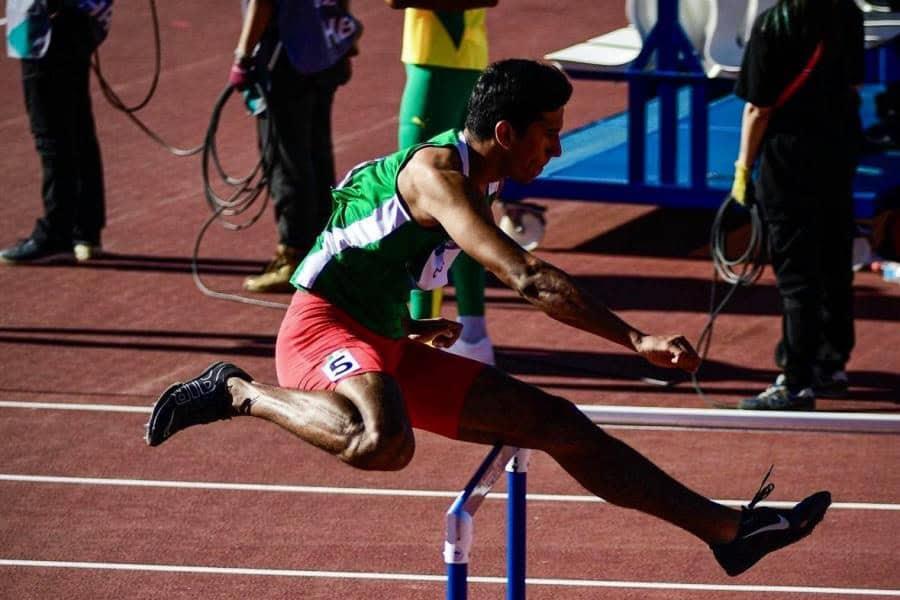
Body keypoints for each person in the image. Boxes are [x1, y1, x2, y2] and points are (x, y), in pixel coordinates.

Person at [146, 59, 831, 577]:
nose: (556, 150)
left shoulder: (481, 176)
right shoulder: (438, 176)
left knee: (561, 425)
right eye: (550, 135)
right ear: (505, 132)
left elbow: (363, 244)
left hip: (383, 336)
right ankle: (237, 390)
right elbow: (527, 276)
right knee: (384, 441)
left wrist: (409, 325)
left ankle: (727, 534)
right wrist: (634, 338)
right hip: (321, 331)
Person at [730, 0, 864, 410]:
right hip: (837, 153)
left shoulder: (775, 23)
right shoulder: (847, 14)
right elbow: (853, 85)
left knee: (797, 277)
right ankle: (831, 363)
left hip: (788, 161)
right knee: (834, 263)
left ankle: (796, 382)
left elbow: (758, 108)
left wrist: (742, 169)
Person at [387, 0, 498, 364]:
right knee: (467, 196)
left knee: (419, 201)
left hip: (435, 61)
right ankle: (475, 333)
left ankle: (423, 340)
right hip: (468, 58)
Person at [229, 0, 361, 293]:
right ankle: (324, 251)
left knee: (287, 160)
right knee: (317, 154)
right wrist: (343, 36)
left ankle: (294, 254)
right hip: (322, 49)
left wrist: (242, 56)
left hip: (285, 54)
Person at [1, 0, 113, 264]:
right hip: (80, 16)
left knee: (52, 131)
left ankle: (57, 232)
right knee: (76, 125)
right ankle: (84, 229)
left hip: (49, 20)